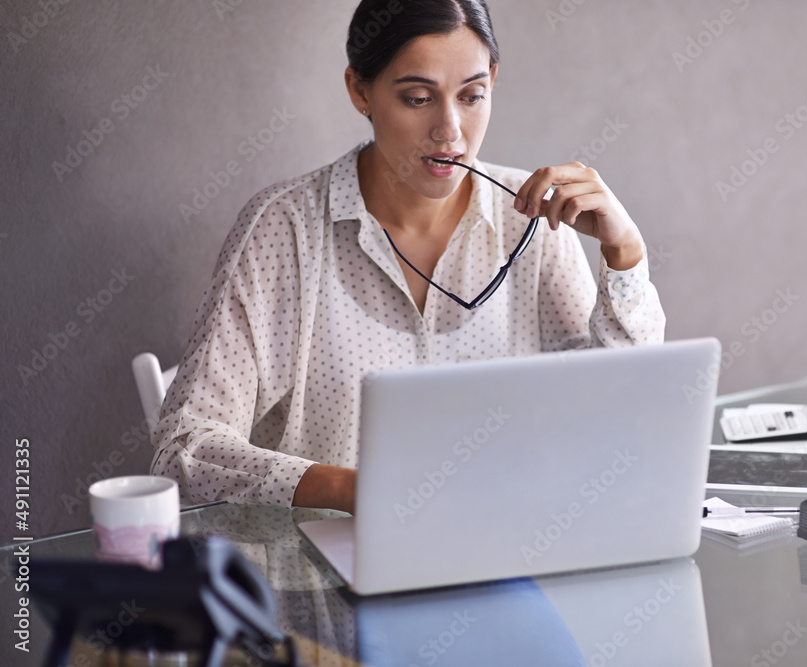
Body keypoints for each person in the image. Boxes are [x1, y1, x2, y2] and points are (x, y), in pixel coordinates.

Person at [151, 0, 665, 514]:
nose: (450, 130)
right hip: (323, 579)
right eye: (418, 98)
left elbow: (620, 416)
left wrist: (625, 253)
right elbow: (183, 450)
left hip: (508, 552)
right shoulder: (281, 231)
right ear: (360, 91)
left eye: (472, 96)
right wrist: (356, 491)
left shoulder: (535, 221)